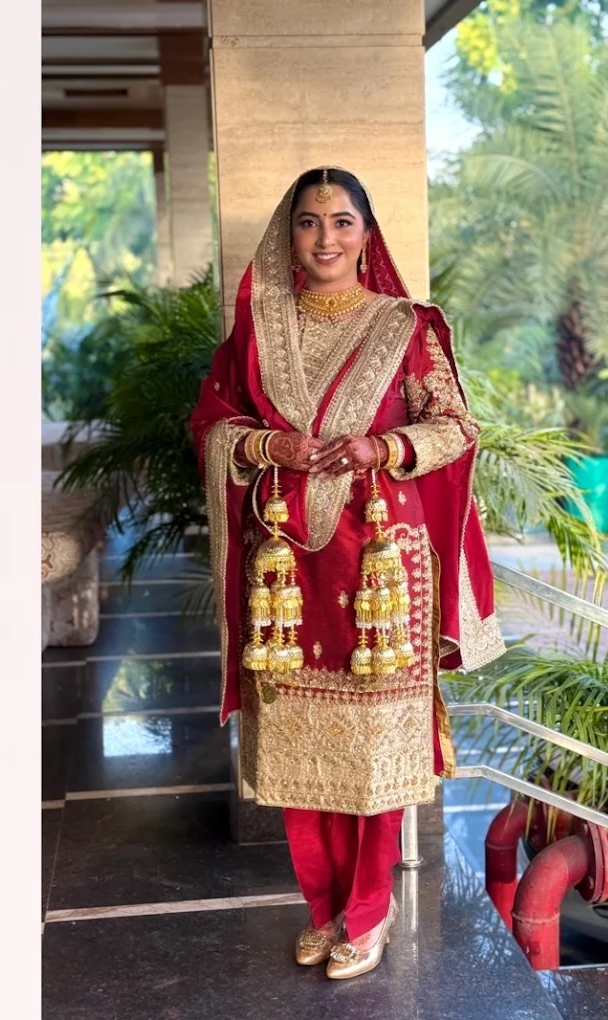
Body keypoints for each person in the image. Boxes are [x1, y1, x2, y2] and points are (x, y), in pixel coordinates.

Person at [190, 167, 505, 979]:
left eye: (340, 221)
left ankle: (368, 911)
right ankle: (323, 908)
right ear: (287, 235)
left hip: (379, 564)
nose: (324, 238)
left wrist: (382, 446)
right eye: (307, 221)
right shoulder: (259, 330)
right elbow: (213, 422)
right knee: (298, 736)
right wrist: (267, 444)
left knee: (371, 744)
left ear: (366, 233)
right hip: (284, 563)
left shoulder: (404, 326)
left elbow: (455, 426)